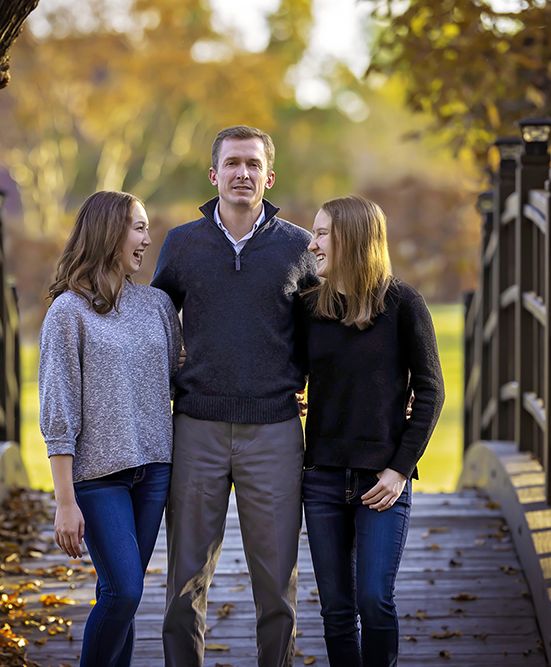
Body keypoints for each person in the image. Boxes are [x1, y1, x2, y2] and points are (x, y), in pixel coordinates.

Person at [151, 126, 318, 667]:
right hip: (196, 426)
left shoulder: (299, 247)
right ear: (214, 175)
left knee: (277, 589)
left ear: (269, 177)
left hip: (274, 431)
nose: (242, 173)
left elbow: (326, 333)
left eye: (253, 165)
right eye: (232, 164)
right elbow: (152, 327)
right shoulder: (182, 244)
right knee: (183, 585)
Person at [38, 190, 181, 667]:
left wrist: (276, 390)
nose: (147, 238)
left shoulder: (157, 305)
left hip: (154, 470)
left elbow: (185, 377)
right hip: (98, 478)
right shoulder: (67, 312)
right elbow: (58, 412)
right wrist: (64, 502)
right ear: (109, 233)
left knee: (124, 595)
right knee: (123, 591)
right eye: (138, 228)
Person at [301, 195, 444, 667]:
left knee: (373, 600)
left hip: (381, 480)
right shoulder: (307, 306)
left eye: (322, 233)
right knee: (336, 610)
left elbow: (431, 391)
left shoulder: (404, 305)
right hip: (321, 479)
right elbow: (288, 371)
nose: (313, 242)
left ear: (352, 237)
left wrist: (400, 469)